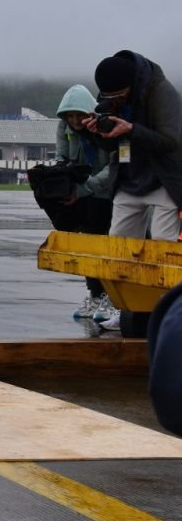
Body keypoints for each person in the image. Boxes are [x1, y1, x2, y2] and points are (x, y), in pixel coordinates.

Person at [85, 50, 182, 331]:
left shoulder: (161, 91)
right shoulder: (111, 93)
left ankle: (168, 310)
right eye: (109, 97)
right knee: (119, 245)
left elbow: (171, 142)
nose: (114, 101)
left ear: (131, 85)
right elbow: (111, 146)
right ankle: (129, 309)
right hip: (129, 175)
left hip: (164, 177)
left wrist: (131, 128)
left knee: (163, 247)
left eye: (119, 96)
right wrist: (97, 133)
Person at [30, 84, 114, 321]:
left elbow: (114, 168)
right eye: (70, 115)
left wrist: (86, 188)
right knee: (87, 247)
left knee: (106, 246)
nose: (75, 120)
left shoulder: (105, 126)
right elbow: (62, 157)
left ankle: (112, 296)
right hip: (83, 193)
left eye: (80, 115)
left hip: (108, 193)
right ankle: (96, 294)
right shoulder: (64, 126)